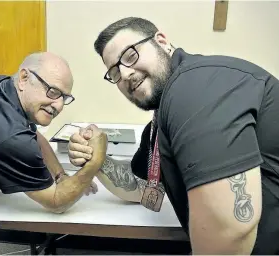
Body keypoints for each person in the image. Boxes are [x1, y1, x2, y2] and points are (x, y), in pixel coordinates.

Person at [67, 17, 279, 254]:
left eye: (130, 55)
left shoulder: (194, 88)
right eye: (114, 71)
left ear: (162, 41)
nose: (125, 74)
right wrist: (98, 159)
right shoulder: (164, 113)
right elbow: (140, 185)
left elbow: (229, 230)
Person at [0, 52, 108, 255]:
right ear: (24, 78)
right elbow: (57, 202)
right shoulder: (8, 135)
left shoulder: (0, 87)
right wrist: (96, 160)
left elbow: (33, 135)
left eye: (65, 97)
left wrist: (61, 175)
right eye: (53, 92)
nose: (59, 105)